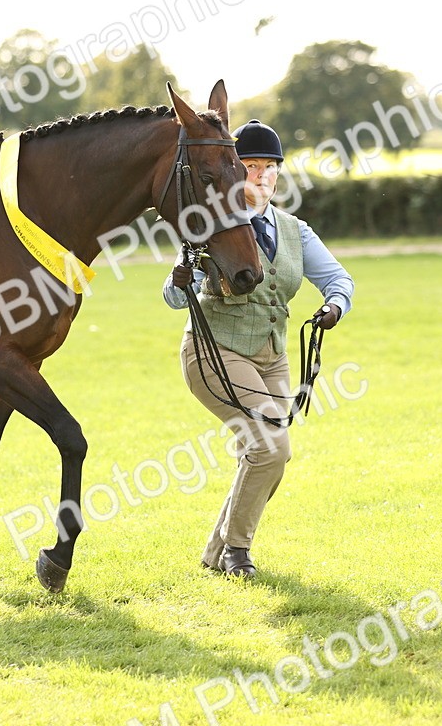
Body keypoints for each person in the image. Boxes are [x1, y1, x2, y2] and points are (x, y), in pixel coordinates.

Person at [162, 119, 355, 578]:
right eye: (250, 165)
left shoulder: (295, 231)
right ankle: (237, 552)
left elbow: (338, 278)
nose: (262, 175)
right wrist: (180, 279)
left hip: (273, 357)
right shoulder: (208, 225)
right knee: (271, 446)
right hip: (214, 352)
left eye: (270, 167)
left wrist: (334, 306)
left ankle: (215, 555)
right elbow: (171, 298)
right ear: (233, 170)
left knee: (268, 452)